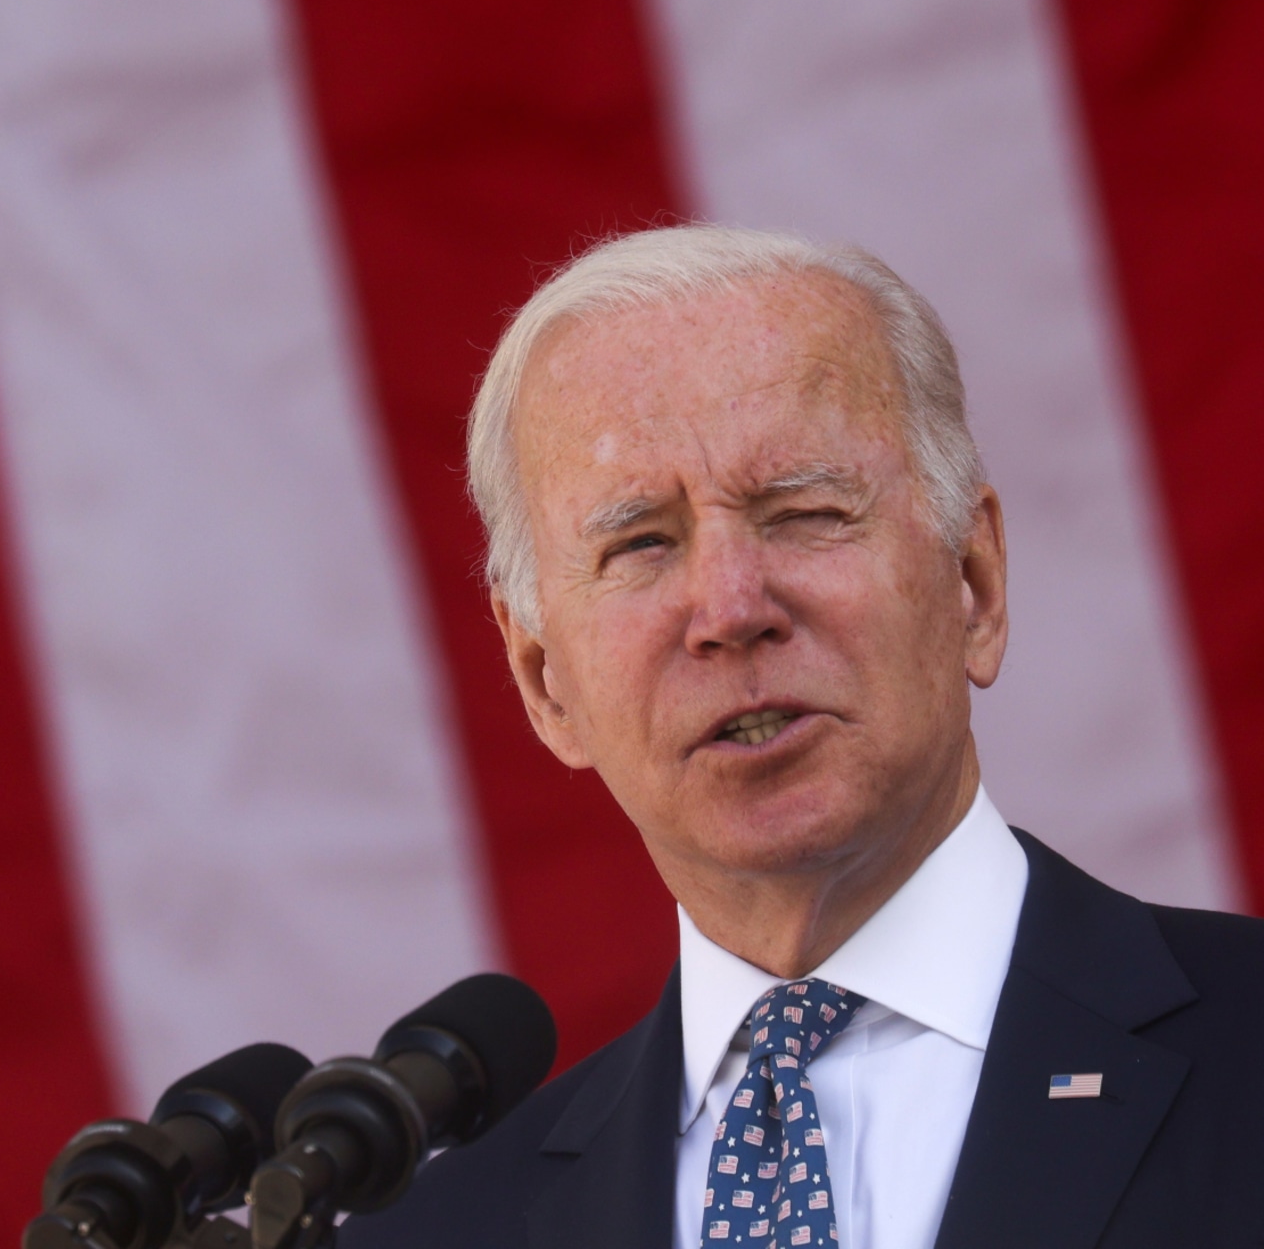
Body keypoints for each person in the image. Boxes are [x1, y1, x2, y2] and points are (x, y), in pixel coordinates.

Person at [337, 225, 1264, 1249]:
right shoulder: (439, 1232)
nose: (731, 607)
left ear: (975, 582)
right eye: (640, 542)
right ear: (545, 683)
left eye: (804, 511)